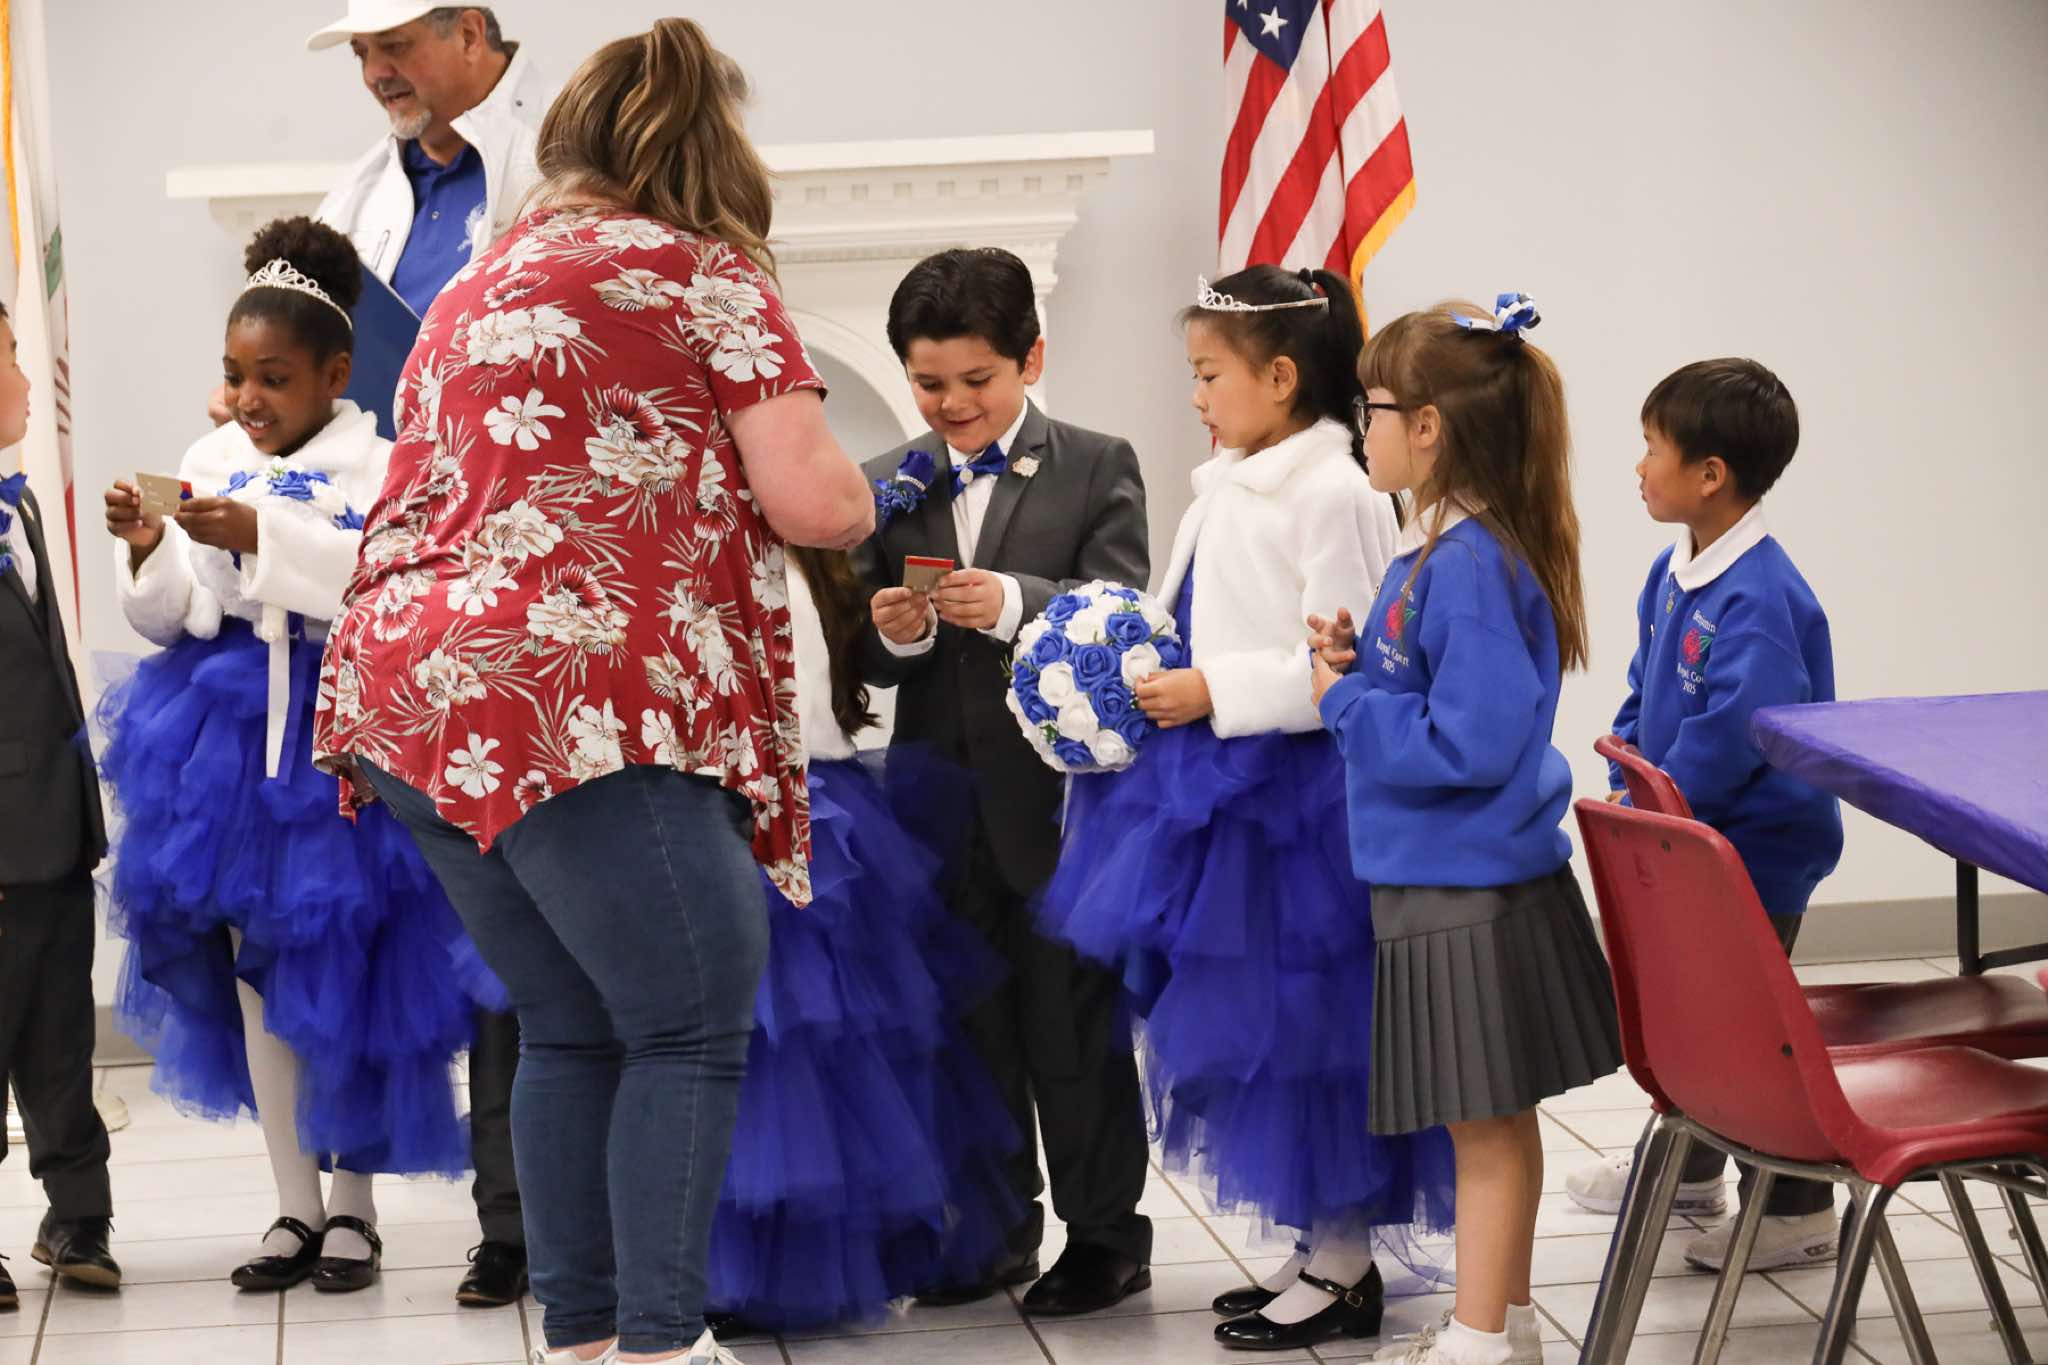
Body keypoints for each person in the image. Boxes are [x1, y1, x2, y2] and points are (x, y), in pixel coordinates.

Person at [312, 20, 874, 1365]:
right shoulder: (704, 272)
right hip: (570, 688)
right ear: (707, 149)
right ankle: (663, 1346)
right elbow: (816, 503)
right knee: (688, 1017)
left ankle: (582, 1340)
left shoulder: (476, 282)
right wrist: (869, 492)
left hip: (407, 687)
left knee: (568, 1023)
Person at [1038, 266, 1455, 1353]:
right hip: (1222, 787)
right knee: (1254, 1035)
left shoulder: (1332, 491)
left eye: (1208, 374)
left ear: (1279, 377)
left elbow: (1346, 656)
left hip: (1294, 804)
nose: (1194, 396)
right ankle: (1318, 1242)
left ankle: (1347, 1260)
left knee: (1308, 1033)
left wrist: (1214, 688)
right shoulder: (1230, 477)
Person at [100, 217, 488, 1297]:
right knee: (256, 976)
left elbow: (387, 576)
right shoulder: (206, 459)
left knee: (350, 974)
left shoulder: (385, 462)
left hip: (346, 737)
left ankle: (355, 1202)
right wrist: (152, 552)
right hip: (226, 740)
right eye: (236, 376)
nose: (249, 398)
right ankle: (292, 1201)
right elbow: (172, 616)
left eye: (274, 378)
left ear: (335, 375)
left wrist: (263, 540)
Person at [1310, 294, 1624, 1365]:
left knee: (1482, 1129)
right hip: (1445, 877)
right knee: (1486, 1121)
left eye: (1371, 408)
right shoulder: (1437, 549)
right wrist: (1359, 665)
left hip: (1466, 888)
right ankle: (1507, 1326)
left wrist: (1343, 703)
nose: (1361, 428)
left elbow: (1468, 744)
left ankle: (1481, 1341)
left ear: (1429, 426)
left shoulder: (1470, 564)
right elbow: (1434, 692)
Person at [308, 2, 554, 1307]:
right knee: (465, 907)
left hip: (542, 586)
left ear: (471, 27)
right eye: (359, 52)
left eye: (393, 42)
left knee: (542, 904)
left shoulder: (565, 157)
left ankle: (536, 1218)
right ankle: (505, 1214)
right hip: (413, 584)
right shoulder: (353, 196)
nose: (375, 71)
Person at [857, 247, 1155, 1318]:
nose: (952, 404)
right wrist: (893, 633)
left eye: (975, 380)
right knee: (964, 1024)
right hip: (936, 803)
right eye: (928, 383)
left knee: (1070, 1024)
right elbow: (864, 654)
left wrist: (1019, 601)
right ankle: (990, 1231)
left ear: (1031, 358)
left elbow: (1122, 614)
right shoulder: (889, 481)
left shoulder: (1097, 463)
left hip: (1057, 807)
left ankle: (1106, 1236)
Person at [1564, 358, 1843, 1272]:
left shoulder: (1761, 597)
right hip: (1685, 837)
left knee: (1749, 1039)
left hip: (1754, 855)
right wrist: (1625, 761)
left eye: (1652, 448)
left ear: (1711, 474)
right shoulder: (1675, 570)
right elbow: (1645, 686)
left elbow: (1733, 737)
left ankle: (1799, 1208)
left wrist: (1651, 805)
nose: (1638, 466)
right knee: (1692, 1021)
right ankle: (1692, 1169)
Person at [707, 548, 1020, 1331]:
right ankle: (735, 1263)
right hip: (728, 799)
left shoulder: (812, 550)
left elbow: (849, 664)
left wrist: (897, 631)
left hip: (825, 802)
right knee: (757, 1041)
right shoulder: (692, 535)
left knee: (841, 1042)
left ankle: (827, 1253)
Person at [0, 303, 120, 1307]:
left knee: (60, 1035)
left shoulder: (23, 505)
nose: (30, 379)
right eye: (10, 357)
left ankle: (79, 1215)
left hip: (53, 822)